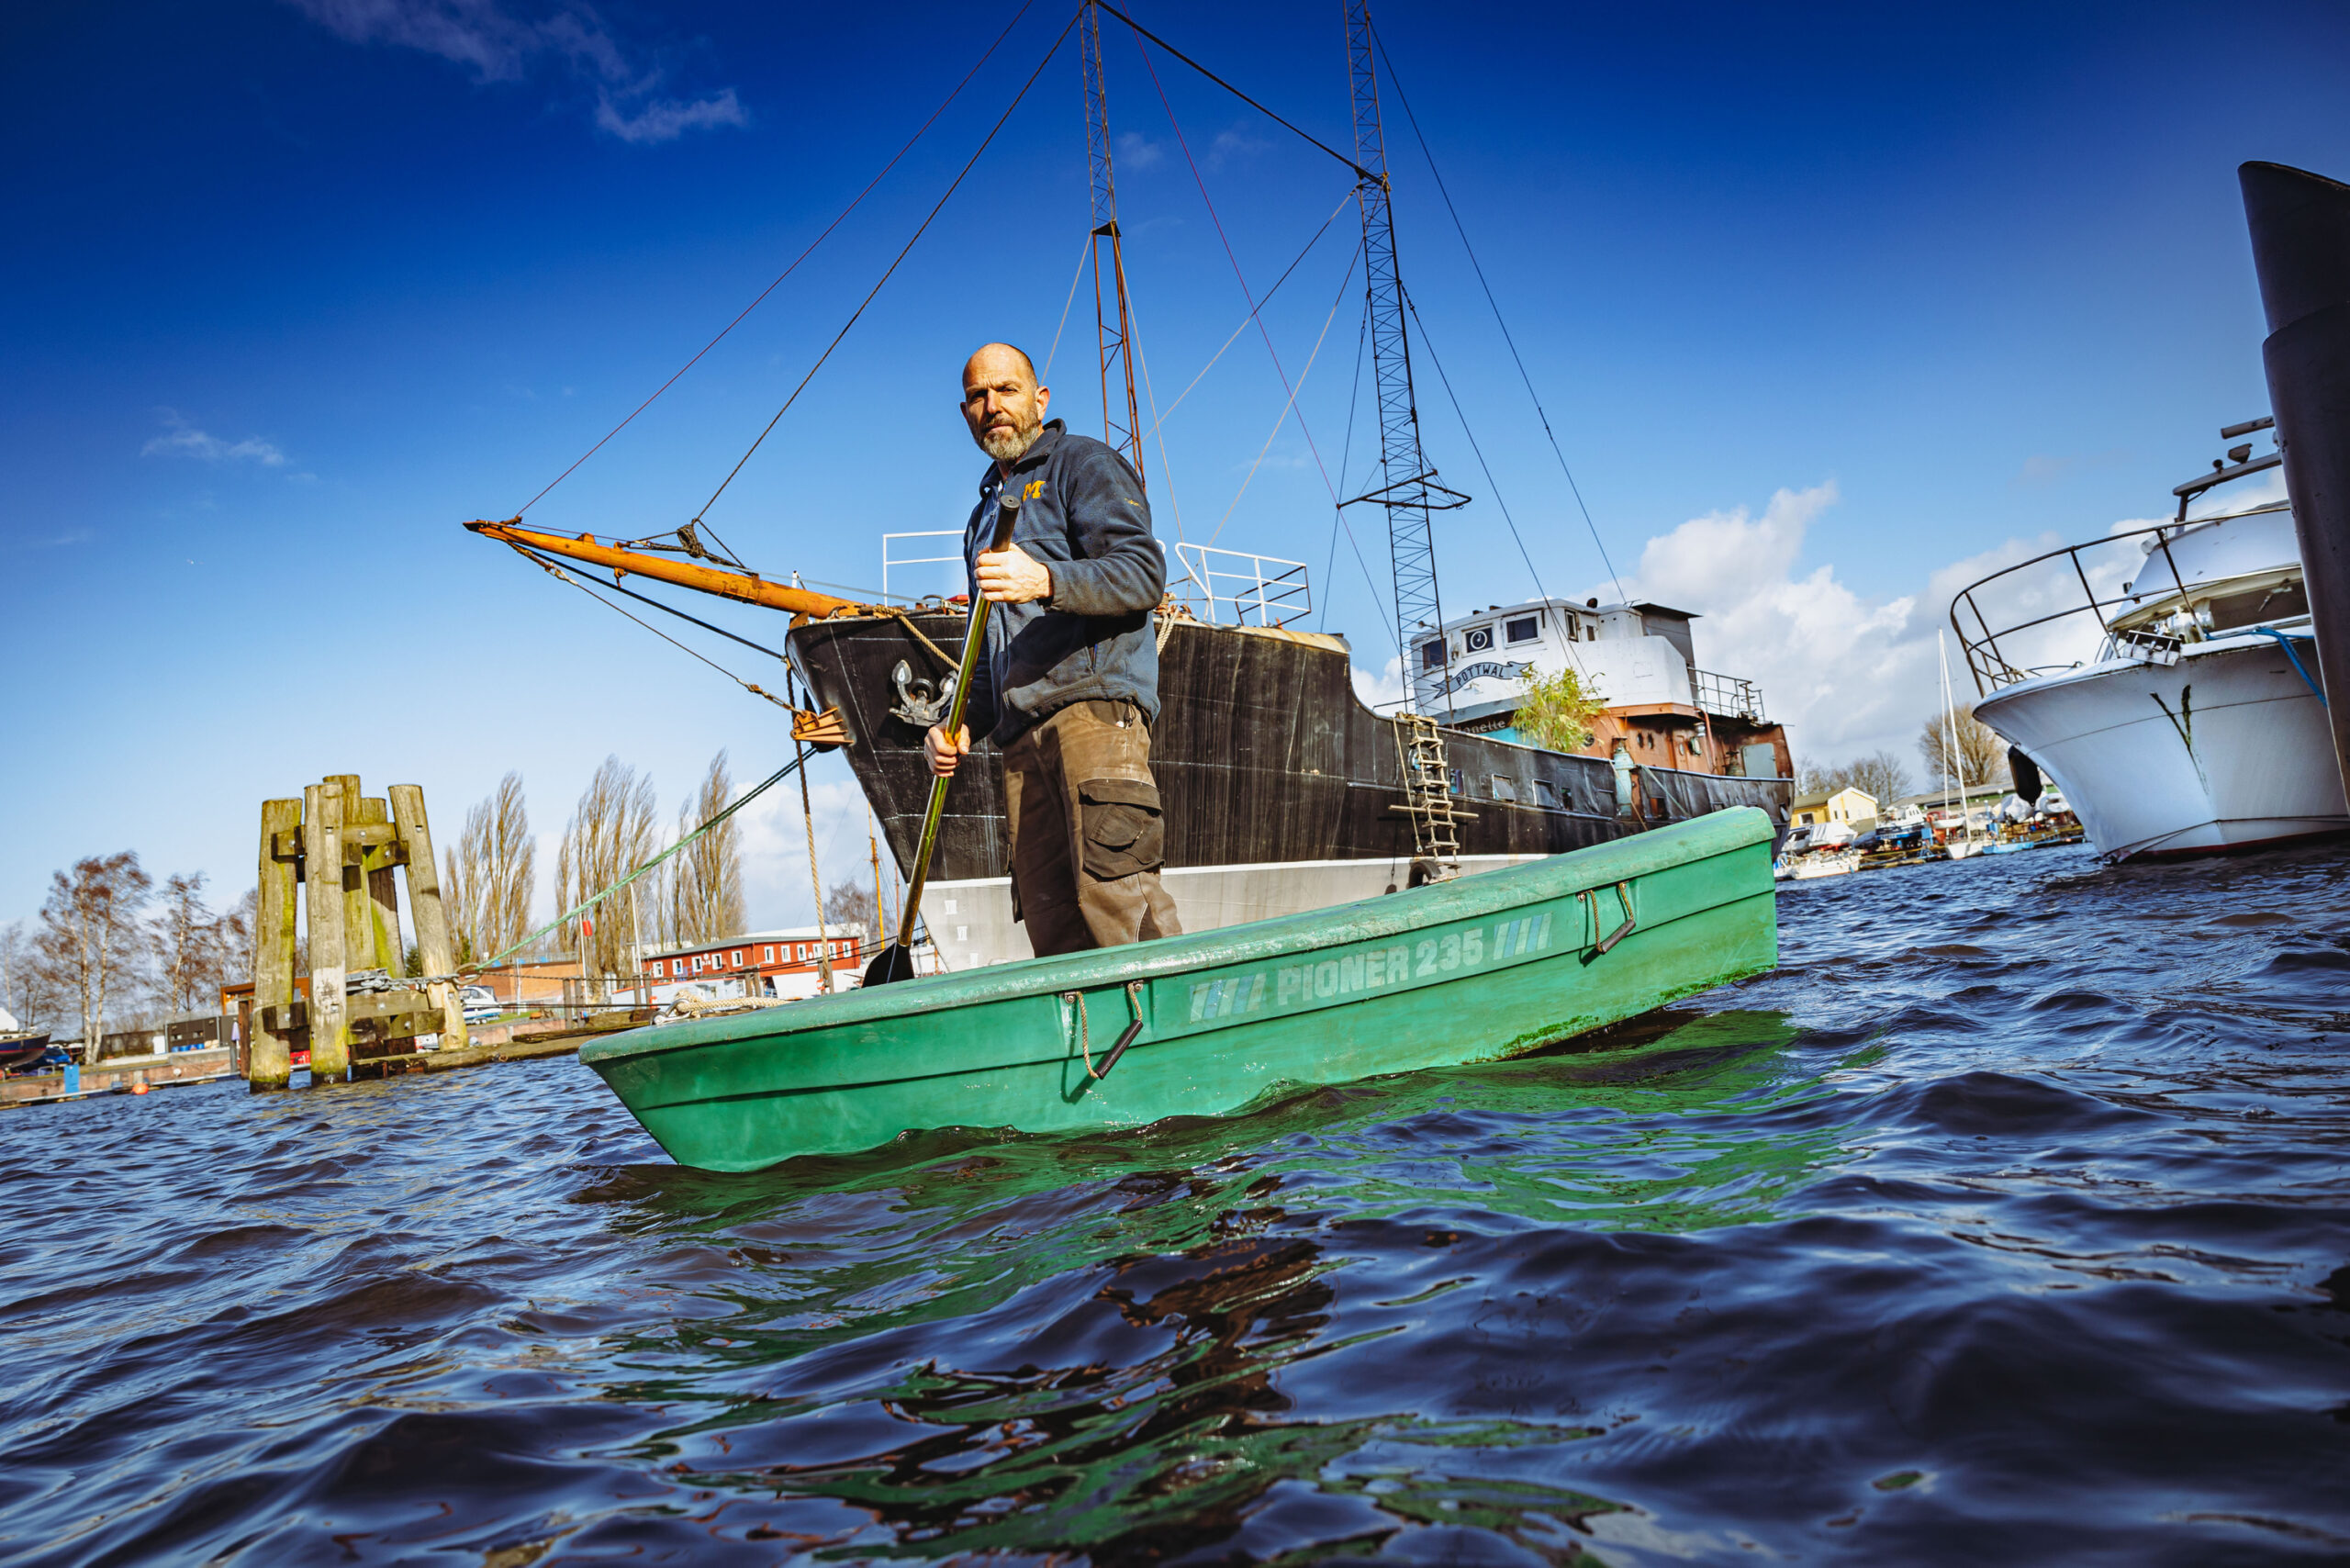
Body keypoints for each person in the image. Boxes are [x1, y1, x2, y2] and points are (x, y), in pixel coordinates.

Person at [923, 342, 1181, 956]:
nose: (993, 406)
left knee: (1118, 904)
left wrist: (1046, 580)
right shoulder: (981, 518)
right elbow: (989, 649)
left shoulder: (1083, 464)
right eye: (979, 397)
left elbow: (1143, 574)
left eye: (1006, 390)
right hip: (1021, 745)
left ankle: (1170, 1039)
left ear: (1039, 400)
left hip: (1091, 716)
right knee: (1053, 924)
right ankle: (1091, 1048)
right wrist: (955, 725)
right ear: (966, 412)